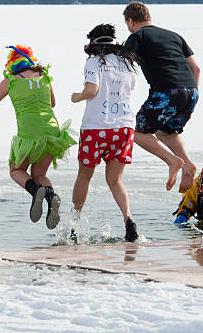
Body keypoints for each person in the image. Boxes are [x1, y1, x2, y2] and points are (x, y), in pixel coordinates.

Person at [0, 45, 76, 229]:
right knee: (40, 174)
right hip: (52, 131)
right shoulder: (44, 76)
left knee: (16, 170)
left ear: (11, 63)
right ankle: (51, 195)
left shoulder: (11, 81)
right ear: (30, 59)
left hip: (30, 132)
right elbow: (53, 103)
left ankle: (35, 190)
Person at [71, 24, 140, 242]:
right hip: (124, 126)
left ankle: (75, 221)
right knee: (115, 180)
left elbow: (92, 90)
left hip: (96, 126)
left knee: (85, 175)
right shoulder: (128, 62)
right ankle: (128, 218)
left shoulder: (93, 62)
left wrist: (77, 97)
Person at [123, 1, 200, 193]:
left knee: (137, 133)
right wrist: (190, 94)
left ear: (131, 21)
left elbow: (124, 64)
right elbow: (196, 68)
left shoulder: (137, 36)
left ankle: (172, 161)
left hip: (166, 91)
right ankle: (188, 164)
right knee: (165, 132)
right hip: (191, 91)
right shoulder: (174, 35)